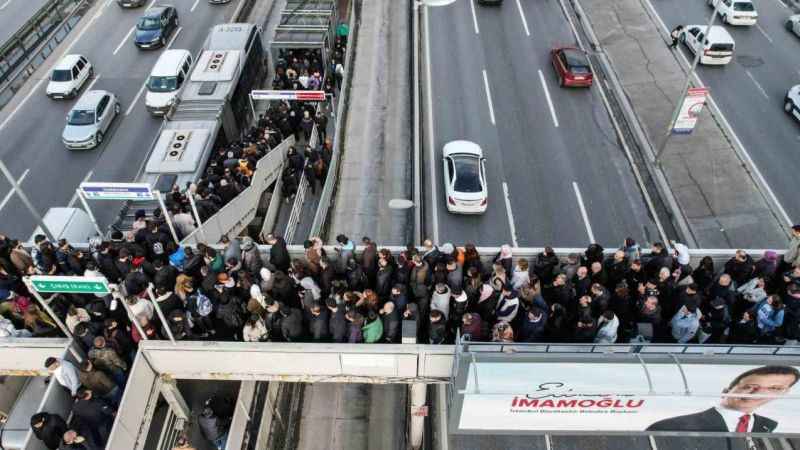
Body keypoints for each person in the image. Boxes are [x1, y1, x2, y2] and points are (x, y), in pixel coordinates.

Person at [646, 365, 799, 432]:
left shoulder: (768, 426)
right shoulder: (672, 426)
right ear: (726, 391)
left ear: (782, 393)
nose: (757, 393)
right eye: (749, 386)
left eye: (774, 388)